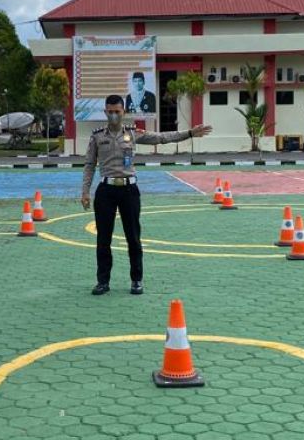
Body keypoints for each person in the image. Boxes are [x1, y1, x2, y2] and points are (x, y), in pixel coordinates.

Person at [81, 95, 212, 295]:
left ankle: (136, 280)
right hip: (106, 191)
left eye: (117, 111)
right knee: (103, 239)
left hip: (129, 191)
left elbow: (161, 138)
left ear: (123, 112)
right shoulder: (97, 136)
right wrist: (85, 192)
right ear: (105, 112)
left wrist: (190, 133)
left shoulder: (133, 134)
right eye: (110, 111)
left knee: (133, 237)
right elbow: (89, 165)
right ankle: (103, 281)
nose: (114, 115)